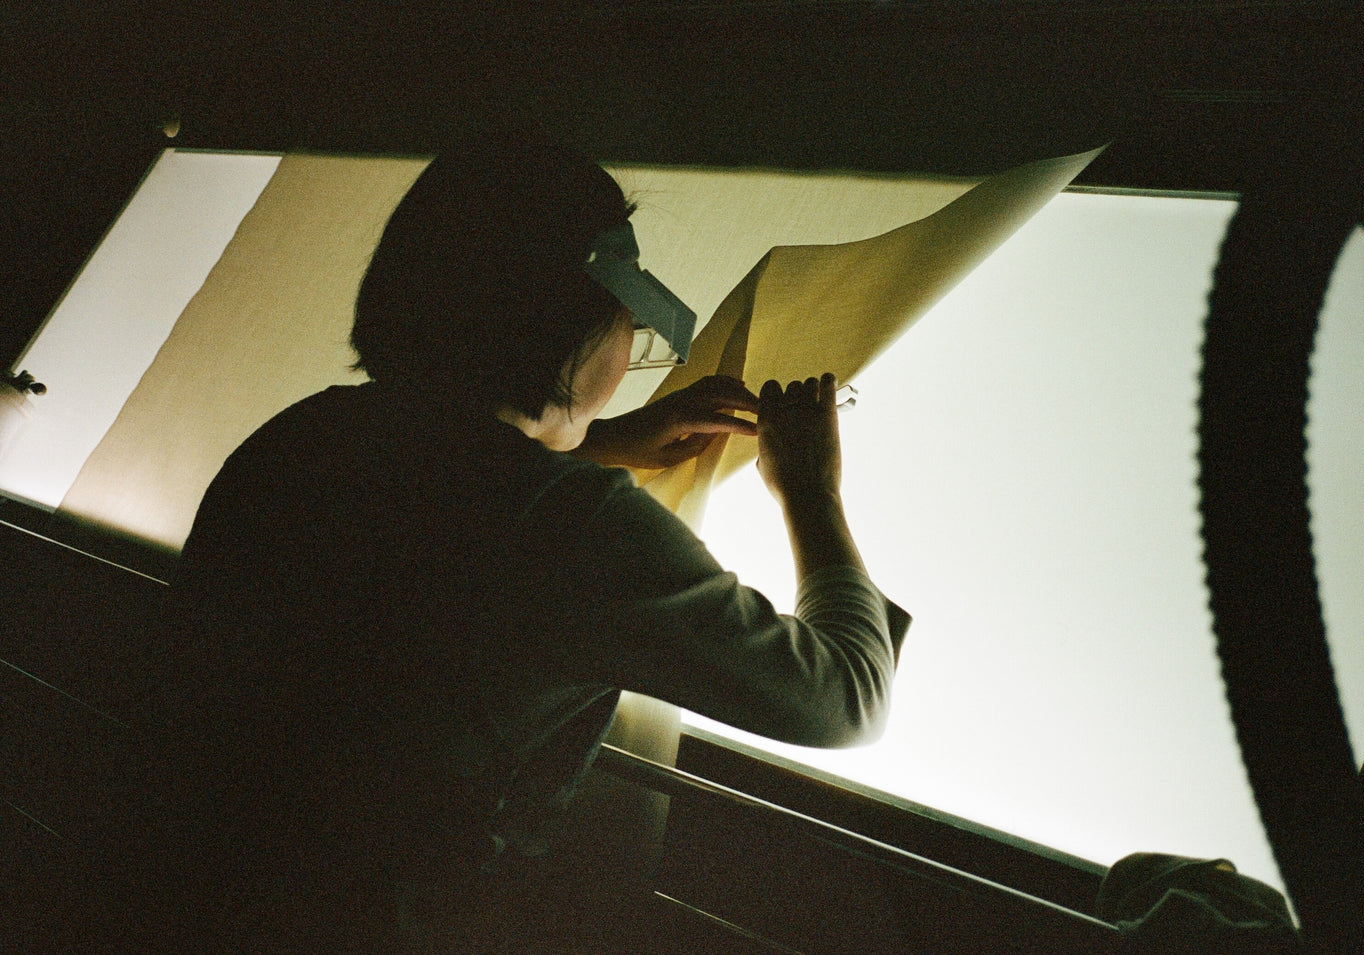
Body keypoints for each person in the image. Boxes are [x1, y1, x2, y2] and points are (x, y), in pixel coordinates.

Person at [135, 129, 909, 951]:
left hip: (183, 891)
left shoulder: (300, 436)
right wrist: (811, 492)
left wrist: (597, 438)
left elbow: (436, 504)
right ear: (571, 320)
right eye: (628, 315)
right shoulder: (575, 529)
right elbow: (845, 698)